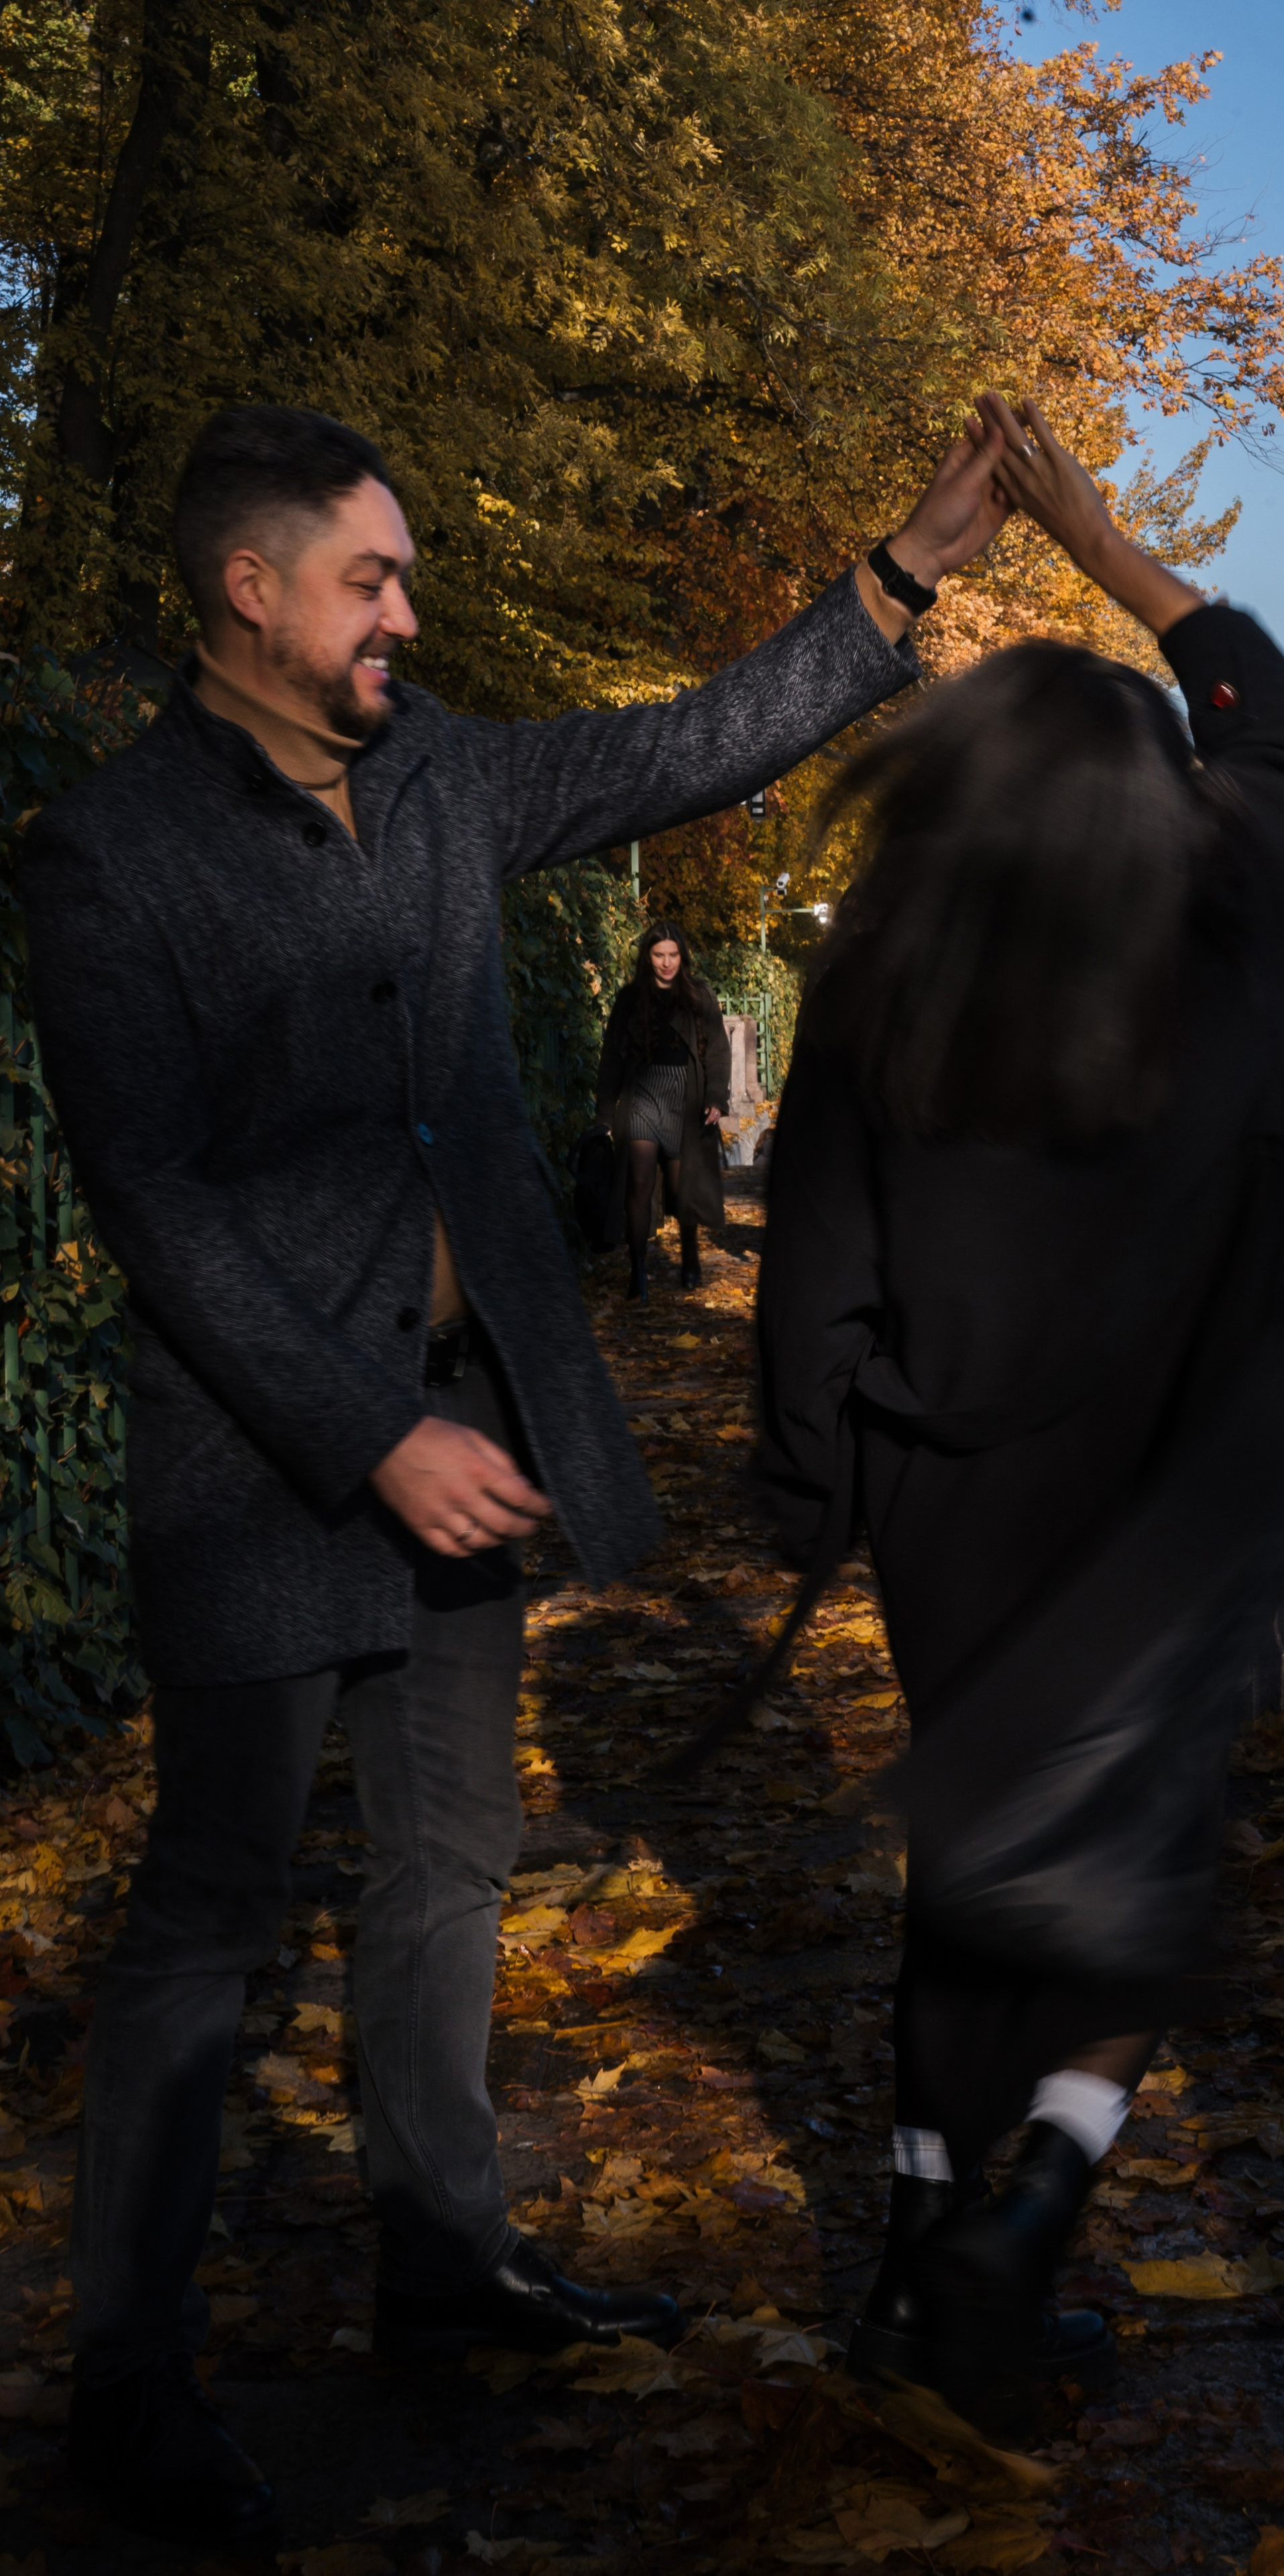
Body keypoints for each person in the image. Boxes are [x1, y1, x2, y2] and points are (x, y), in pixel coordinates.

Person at [20, 395, 1018, 2546]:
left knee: (450, 1862)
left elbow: (691, 737)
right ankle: (128, 2380)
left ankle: (444, 2255)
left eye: (407, 577)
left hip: (472, 1430)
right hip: (270, 1468)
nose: (408, 610)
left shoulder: (450, 772)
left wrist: (900, 570)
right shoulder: (108, 854)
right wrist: (369, 1431)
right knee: (206, 1914)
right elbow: (161, 1203)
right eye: (370, 578)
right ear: (249, 591)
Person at [754, 396, 1284, 2436]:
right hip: (1161, 1504)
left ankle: (918, 2248)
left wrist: (812, 1485)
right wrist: (1110, 547)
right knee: (1130, 1874)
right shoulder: (1215, 944)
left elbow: (812, 1274)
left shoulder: (878, 997)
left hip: (946, 1498)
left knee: (962, 1858)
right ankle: (1030, 2209)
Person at [595, 923, 730, 1300]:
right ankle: (637, 1269)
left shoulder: (699, 996)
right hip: (642, 1096)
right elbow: (610, 1059)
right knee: (638, 1183)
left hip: (686, 1097)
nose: (667, 963)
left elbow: (718, 1050)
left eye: (673, 955)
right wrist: (605, 1115)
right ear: (648, 957)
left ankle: (690, 1254)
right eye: (659, 955)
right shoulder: (630, 999)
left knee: (681, 1188)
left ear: (682, 957)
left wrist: (717, 1098)